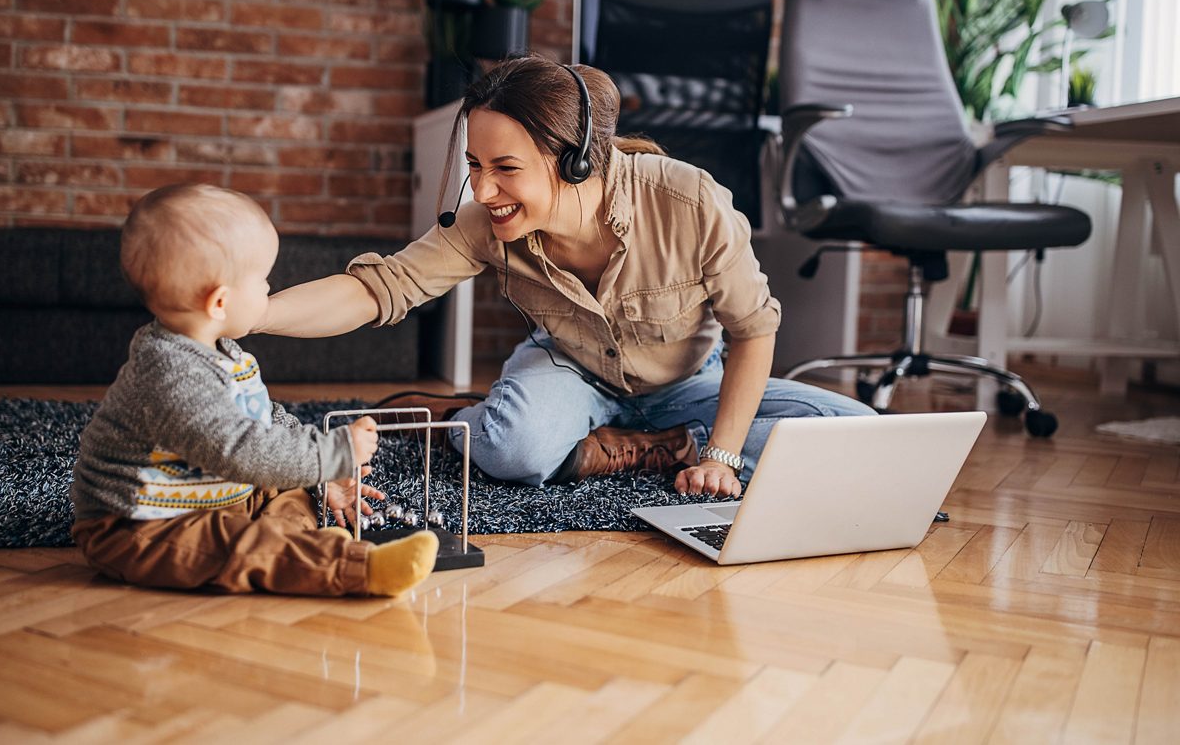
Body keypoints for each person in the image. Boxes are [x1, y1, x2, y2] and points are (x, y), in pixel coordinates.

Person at [256, 55, 875, 498]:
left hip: (690, 383)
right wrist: (256, 315)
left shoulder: (690, 202)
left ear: (575, 161)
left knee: (856, 434)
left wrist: (719, 454)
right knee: (512, 450)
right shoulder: (484, 224)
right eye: (475, 165)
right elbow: (376, 290)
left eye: (505, 168)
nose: (484, 189)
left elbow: (754, 330)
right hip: (569, 368)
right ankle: (471, 419)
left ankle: (666, 443)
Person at [70, 183, 437, 597]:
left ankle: (292, 538)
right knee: (231, 548)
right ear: (220, 303)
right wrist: (333, 453)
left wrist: (322, 477)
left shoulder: (223, 351)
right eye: (262, 280)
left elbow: (264, 420)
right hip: (142, 522)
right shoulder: (169, 373)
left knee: (293, 491)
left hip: (218, 491)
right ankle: (354, 567)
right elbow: (240, 449)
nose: (268, 290)